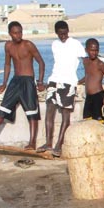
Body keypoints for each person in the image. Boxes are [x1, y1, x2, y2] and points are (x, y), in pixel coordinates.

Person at [0, 21, 45, 149]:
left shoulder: (28, 44)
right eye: (15, 33)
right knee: (3, 109)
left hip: (28, 81)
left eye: (20, 32)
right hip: (15, 80)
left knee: (31, 113)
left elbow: (41, 62)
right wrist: (4, 83)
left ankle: (32, 143)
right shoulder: (8, 46)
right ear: (10, 34)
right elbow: (7, 64)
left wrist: (40, 82)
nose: (18, 35)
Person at [40, 21, 86, 157]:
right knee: (49, 112)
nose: (63, 37)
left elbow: (87, 61)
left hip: (68, 82)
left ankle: (58, 145)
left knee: (66, 114)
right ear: (56, 33)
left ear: (68, 31)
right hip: (54, 81)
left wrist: (81, 80)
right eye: (60, 34)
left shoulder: (75, 44)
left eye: (65, 34)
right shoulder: (54, 44)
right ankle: (48, 143)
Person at [78, 38, 104, 122]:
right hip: (88, 97)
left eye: (96, 50)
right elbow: (88, 76)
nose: (94, 53)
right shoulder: (85, 61)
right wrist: (78, 82)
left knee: (100, 122)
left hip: (98, 96)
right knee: (87, 121)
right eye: (92, 50)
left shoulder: (100, 64)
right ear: (86, 50)